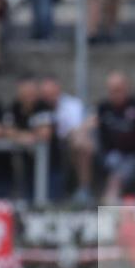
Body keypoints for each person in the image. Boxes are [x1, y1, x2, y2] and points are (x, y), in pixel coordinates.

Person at [82, 72, 135, 204]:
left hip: (134, 156)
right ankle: (85, 189)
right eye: (112, 91)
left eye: (119, 90)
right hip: (109, 156)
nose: (116, 94)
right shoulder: (103, 107)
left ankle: (109, 203)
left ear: (127, 88)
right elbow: (89, 126)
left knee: (118, 174)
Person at [6, 75, 61, 202]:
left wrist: (18, 134)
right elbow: (5, 130)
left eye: (32, 93)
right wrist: (24, 136)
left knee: (50, 204)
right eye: (26, 93)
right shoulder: (14, 108)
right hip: (28, 167)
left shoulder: (43, 107)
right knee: (29, 204)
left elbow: (44, 134)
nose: (29, 97)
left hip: (50, 165)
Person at [39, 75, 89, 203]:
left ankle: (83, 188)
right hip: (44, 148)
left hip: (66, 146)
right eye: (46, 95)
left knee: (81, 143)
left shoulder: (72, 105)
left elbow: (75, 130)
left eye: (51, 94)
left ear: (58, 90)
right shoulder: (38, 106)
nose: (49, 98)